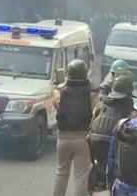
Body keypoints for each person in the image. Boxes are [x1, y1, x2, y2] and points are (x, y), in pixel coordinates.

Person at [52, 59, 97, 196]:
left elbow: (57, 107)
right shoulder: (92, 92)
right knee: (81, 175)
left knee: (61, 172)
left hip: (63, 137)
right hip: (83, 138)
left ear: (68, 73)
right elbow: (94, 111)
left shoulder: (59, 91)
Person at [87, 75, 134, 192]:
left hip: (94, 140)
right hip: (112, 142)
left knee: (101, 165)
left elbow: (92, 121)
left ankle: (100, 180)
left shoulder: (102, 103)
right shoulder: (127, 105)